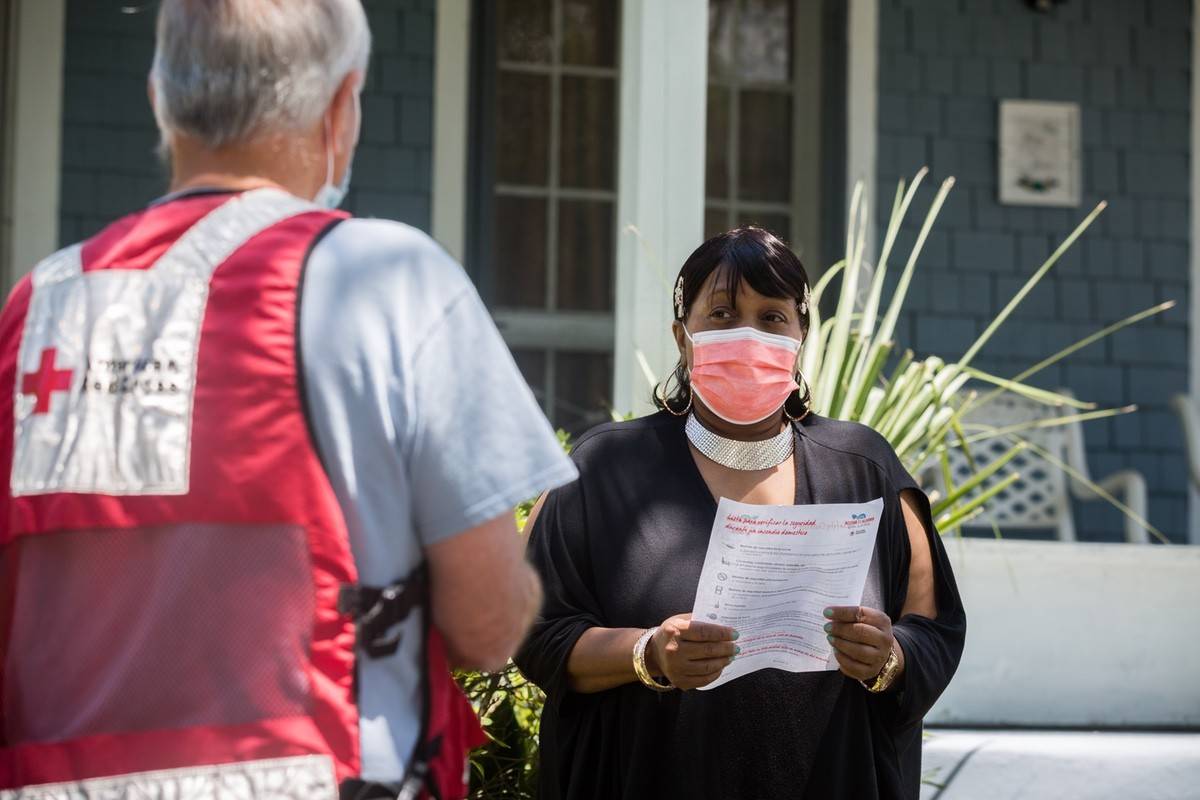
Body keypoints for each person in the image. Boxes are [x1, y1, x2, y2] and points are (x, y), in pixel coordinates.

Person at [0, 2, 577, 798]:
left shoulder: (38, 308)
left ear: (159, 98)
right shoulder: (386, 280)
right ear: (342, 107)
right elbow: (486, 630)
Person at [514, 226, 966, 799]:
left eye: (773, 316)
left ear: (801, 336)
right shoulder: (602, 469)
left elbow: (932, 630)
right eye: (723, 314)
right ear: (683, 338)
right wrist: (647, 654)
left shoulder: (865, 469)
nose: (748, 335)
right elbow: (536, 634)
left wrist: (889, 656)